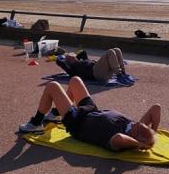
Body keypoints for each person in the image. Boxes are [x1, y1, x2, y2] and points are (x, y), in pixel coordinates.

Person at [19, 76, 160, 151]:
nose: (137, 122)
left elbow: (118, 138)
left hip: (78, 123)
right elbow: (156, 108)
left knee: (52, 86)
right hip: (91, 110)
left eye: (139, 127)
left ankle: (36, 123)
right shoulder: (136, 128)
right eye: (142, 124)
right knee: (75, 80)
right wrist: (153, 132)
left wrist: (138, 145)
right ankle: (56, 113)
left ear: (137, 138)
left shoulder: (121, 141)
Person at [56, 48, 133, 85]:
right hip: (97, 73)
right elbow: (60, 62)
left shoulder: (81, 60)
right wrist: (59, 57)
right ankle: (119, 75)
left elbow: (83, 52)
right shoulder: (73, 69)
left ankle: (123, 72)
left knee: (117, 49)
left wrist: (74, 56)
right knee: (110, 52)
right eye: (70, 57)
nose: (71, 55)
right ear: (69, 62)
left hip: (102, 70)